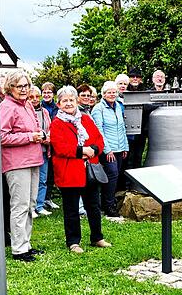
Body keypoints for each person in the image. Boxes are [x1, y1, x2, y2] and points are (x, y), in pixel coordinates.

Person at [49, 86, 111, 254]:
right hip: (69, 171)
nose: (68, 103)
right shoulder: (57, 123)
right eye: (64, 101)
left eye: (71, 100)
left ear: (76, 101)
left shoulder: (85, 119)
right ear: (59, 104)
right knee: (71, 209)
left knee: (93, 206)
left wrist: (93, 150)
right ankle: (73, 242)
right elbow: (60, 147)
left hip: (89, 169)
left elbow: (99, 139)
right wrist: (81, 151)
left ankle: (97, 237)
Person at [0, 71, 45, 262]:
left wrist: (40, 133)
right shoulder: (7, 107)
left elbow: (33, 127)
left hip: (34, 159)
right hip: (16, 163)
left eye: (26, 85)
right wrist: (29, 137)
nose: (24, 89)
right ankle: (19, 249)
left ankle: (26, 243)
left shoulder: (27, 104)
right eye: (20, 86)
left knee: (31, 204)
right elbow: (1, 136)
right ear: (10, 88)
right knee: (20, 205)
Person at [91, 81, 128, 217]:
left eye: (114, 92)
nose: (112, 94)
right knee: (111, 175)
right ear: (103, 94)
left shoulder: (118, 106)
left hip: (119, 148)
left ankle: (106, 203)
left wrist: (125, 147)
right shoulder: (98, 109)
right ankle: (109, 207)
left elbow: (122, 127)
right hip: (108, 149)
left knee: (115, 176)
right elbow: (99, 131)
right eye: (109, 92)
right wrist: (107, 150)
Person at [29, 85, 55, 216]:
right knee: (31, 180)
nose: (34, 99)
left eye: (36, 97)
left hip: (44, 150)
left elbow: (50, 127)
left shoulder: (44, 111)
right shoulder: (26, 111)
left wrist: (48, 137)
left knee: (42, 179)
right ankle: (31, 207)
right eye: (31, 97)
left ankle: (40, 205)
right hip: (31, 150)